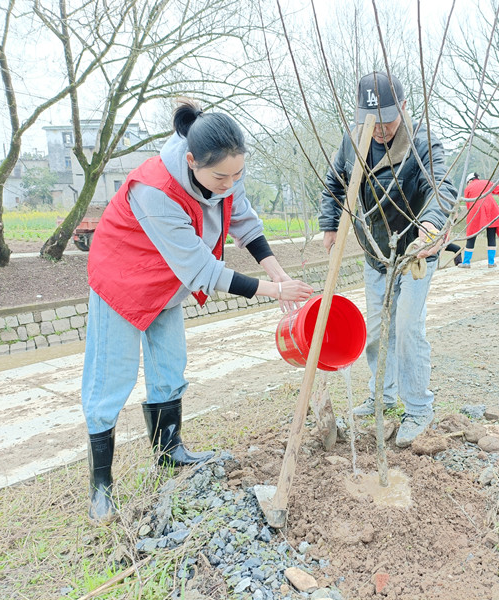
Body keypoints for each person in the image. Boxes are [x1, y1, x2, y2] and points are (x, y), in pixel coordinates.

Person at [83, 100, 313, 522]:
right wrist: (272, 289)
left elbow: (243, 222)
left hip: (169, 278)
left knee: (171, 366)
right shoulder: (154, 189)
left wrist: (279, 274)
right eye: (221, 177)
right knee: (110, 379)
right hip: (123, 278)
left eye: (237, 174)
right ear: (191, 161)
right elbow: (204, 270)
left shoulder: (226, 170)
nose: (230, 184)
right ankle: (102, 485)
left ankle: (170, 454)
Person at [319, 71, 456, 448]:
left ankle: (418, 407)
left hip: (414, 254)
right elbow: (334, 184)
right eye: (372, 121)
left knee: (408, 328)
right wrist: (329, 225)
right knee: (377, 331)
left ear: (405, 107)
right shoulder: (353, 141)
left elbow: (440, 187)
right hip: (375, 254)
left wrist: (430, 224)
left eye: (389, 119)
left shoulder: (424, 143)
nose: (380, 128)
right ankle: (383, 394)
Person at [455, 174, 499, 268]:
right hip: (492, 210)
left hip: (476, 212)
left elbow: (468, 205)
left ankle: (466, 262)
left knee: (471, 236)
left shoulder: (468, 188)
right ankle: (491, 263)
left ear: (469, 181)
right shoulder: (487, 182)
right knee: (491, 237)